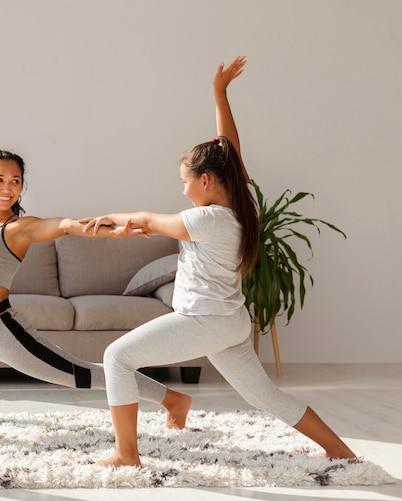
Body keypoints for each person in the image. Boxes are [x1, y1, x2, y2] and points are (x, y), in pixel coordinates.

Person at [83, 56, 357, 467]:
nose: (183, 191)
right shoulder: (243, 208)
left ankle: (126, 454)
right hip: (229, 321)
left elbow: (146, 220)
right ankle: (340, 450)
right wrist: (220, 92)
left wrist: (106, 220)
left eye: (184, 182)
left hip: (204, 321)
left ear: (206, 181)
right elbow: (230, 150)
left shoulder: (206, 219)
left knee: (116, 357)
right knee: (266, 396)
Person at [0, 83, 193, 432]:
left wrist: (114, 231)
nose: (7, 187)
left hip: (3, 331)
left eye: (15, 181)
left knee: (81, 374)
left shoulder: (20, 229)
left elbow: (65, 226)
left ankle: (172, 399)